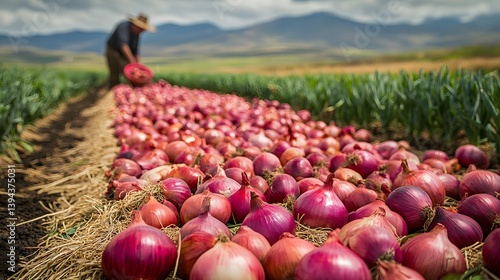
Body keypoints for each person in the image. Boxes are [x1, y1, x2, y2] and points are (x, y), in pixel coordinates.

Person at [105, 13, 156, 89]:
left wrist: (138, 65)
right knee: (115, 71)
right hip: (114, 50)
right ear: (135, 25)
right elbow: (123, 45)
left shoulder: (137, 34)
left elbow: (135, 51)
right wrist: (132, 61)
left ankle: (130, 87)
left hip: (125, 52)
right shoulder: (123, 26)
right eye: (141, 29)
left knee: (131, 72)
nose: (142, 31)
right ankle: (113, 87)